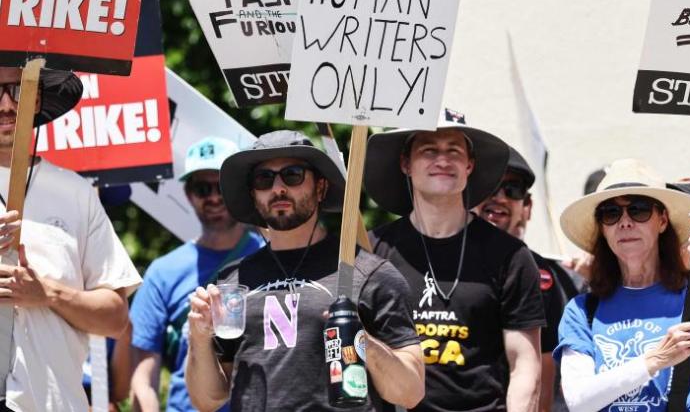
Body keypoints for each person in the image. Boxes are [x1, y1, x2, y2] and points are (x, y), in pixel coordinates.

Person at [186, 130, 424, 411]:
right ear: (253, 194)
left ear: (320, 188)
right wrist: (199, 337)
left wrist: (362, 341)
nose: (278, 188)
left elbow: (410, 392)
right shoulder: (232, 282)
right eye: (264, 179)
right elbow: (207, 400)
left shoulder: (369, 273)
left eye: (293, 174)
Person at [365, 109, 546, 412]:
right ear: (406, 164)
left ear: (469, 165)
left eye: (454, 151)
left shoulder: (510, 256)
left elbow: (525, 367)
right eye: (429, 150)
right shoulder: (372, 250)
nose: (443, 160)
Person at [0, 66, 142, 411]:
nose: (6, 104)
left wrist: (48, 294)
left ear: (36, 100)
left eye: (18, 89)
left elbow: (115, 318)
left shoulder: (76, 192)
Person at [554, 158, 690, 411]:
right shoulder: (582, 310)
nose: (625, 222)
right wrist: (654, 360)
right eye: (611, 213)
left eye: (639, 209)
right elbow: (578, 401)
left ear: (662, 220)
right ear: (602, 228)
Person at [130, 136, 264, 412]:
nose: (214, 197)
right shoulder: (161, 273)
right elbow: (144, 373)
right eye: (203, 189)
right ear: (189, 195)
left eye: (221, 187)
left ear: (239, 190)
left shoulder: (274, 261)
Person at [476, 146, 570, 411]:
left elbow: (544, 367)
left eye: (512, 190)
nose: (498, 197)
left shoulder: (543, 276)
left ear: (527, 207)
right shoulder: (442, 258)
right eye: (489, 187)